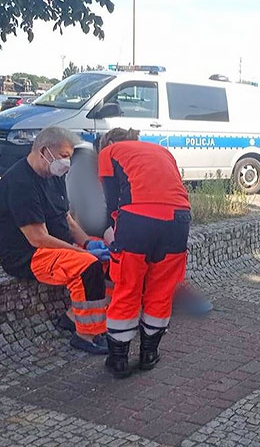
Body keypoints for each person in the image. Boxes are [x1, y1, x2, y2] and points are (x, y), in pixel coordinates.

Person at [0, 127, 110, 354]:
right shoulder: (20, 183)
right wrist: (81, 253)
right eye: (64, 156)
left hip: (54, 246)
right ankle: (85, 335)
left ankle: (73, 318)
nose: (67, 162)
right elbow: (37, 238)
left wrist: (88, 243)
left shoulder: (53, 175)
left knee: (111, 258)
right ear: (44, 151)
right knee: (87, 267)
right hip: (28, 255)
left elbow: (66, 218)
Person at [98, 128, 192, 378]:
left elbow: (111, 202)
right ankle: (149, 354)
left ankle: (118, 360)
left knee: (128, 287)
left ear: (107, 143)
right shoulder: (162, 150)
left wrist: (112, 235)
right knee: (161, 290)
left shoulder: (108, 152)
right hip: (178, 221)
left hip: (138, 221)